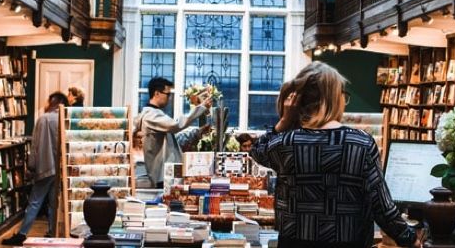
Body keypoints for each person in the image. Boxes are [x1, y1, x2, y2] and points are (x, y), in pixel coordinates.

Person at [250, 61, 416, 248]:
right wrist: (410, 238)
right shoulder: (360, 143)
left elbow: (257, 150)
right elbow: (383, 207)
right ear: (334, 98)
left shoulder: (286, 143)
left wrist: (284, 120)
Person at [2, 92, 69, 246]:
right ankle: (52, 232)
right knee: (54, 203)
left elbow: (36, 146)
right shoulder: (64, 118)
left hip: (45, 167)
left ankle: (22, 234)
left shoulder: (44, 119)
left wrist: (31, 167)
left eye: (47, 101)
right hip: (60, 169)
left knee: (35, 201)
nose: (45, 104)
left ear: (53, 102)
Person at [134, 77, 212, 188]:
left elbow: (173, 139)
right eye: (168, 94)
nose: (170, 99)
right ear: (157, 93)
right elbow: (176, 125)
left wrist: (198, 133)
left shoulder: (156, 114)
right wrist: (201, 108)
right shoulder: (151, 115)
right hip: (162, 174)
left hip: (168, 172)